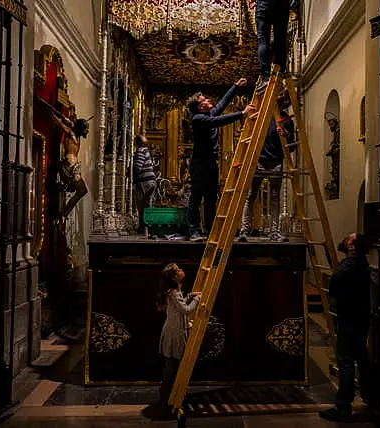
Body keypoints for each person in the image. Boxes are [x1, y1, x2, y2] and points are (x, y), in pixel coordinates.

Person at [186, 79, 256, 242]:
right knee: (196, 198)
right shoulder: (198, 119)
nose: (209, 101)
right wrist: (241, 114)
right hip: (199, 164)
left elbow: (222, 104)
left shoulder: (208, 114)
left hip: (211, 163)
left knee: (211, 198)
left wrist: (235, 87)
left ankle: (211, 230)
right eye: (204, 101)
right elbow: (218, 121)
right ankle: (194, 230)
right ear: (199, 106)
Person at [319, 232, 372, 422]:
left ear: (352, 247)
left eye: (349, 239)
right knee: (361, 357)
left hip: (350, 318)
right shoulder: (361, 264)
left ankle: (343, 406)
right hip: (361, 318)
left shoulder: (349, 266)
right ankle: (370, 396)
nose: (345, 240)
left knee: (345, 360)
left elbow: (334, 281)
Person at [238, 90, 295, 242]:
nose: (285, 102)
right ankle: (244, 230)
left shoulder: (287, 120)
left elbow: (292, 146)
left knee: (275, 197)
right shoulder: (262, 115)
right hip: (258, 160)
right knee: (251, 196)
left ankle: (274, 231)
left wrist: (285, 134)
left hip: (276, 161)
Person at [156, 263, 202, 411]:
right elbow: (186, 310)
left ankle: (169, 392)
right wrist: (197, 300)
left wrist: (190, 296)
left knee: (173, 363)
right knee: (173, 363)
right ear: (174, 277)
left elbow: (179, 305)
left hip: (174, 329)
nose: (182, 271)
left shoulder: (174, 291)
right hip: (176, 332)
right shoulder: (174, 293)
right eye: (179, 270)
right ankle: (166, 393)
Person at [48, 110, 90, 223]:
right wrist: (52, 113)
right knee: (82, 190)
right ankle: (63, 215)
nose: (87, 131)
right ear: (81, 128)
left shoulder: (77, 135)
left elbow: (71, 122)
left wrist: (67, 118)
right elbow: (61, 122)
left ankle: (63, 212)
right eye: (86, 128)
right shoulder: (70, 133)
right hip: (68, 167)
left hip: (74, 167)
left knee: (80, 190)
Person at [255, 0, 296, 90]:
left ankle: (266, 77)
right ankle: (279, 75)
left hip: (263, 4)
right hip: (282, 4)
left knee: (263, 40)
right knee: (280, 41)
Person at [133, 135, 157, 233]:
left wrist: (129, 172)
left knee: (140, 204)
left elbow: (138, 167)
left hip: (143, 181)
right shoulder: (146, 151)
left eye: (135, 142)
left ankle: (142, 227)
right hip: (151, 181)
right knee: (147, 204)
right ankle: (148, 227)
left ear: (138, 143)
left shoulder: (140, 151)